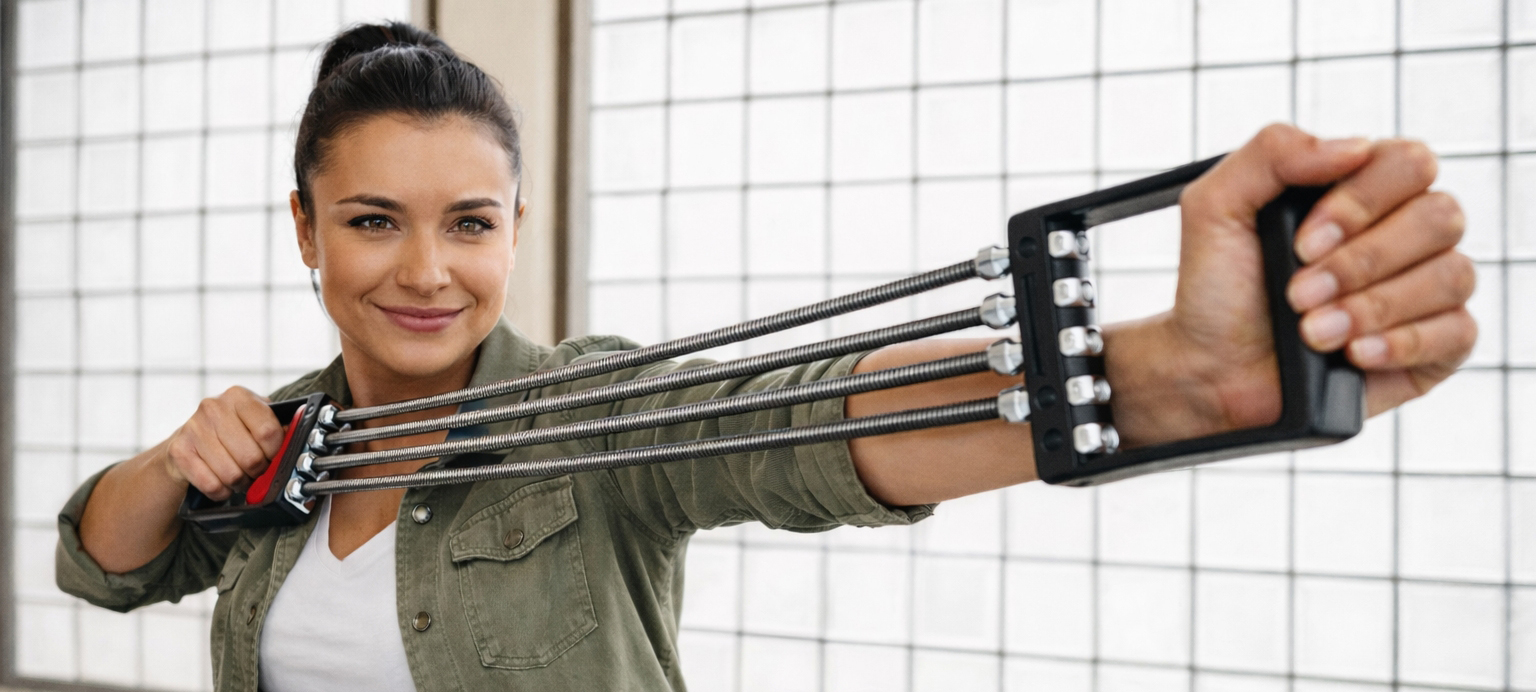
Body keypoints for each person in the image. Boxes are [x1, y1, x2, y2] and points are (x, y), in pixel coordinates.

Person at [55, 21, 1476, 692]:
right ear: (305, 230)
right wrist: (173, 460)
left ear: (514, 231)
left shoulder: (588, 411)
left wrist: (1158, 373)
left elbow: (788, 425)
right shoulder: (280, 443)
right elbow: (105, 564)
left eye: (468, 223)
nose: (427, 271)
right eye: (374, 221)